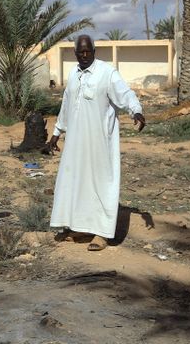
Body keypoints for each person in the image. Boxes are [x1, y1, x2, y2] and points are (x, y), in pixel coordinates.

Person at [49, 35, 145, 251]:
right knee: (76, 183)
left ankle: (102, 234)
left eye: (88, 52)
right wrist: (56, 133)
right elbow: (66, 106)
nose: (84, 56)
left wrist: (136, 111)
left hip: (100, 144)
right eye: (80, 52)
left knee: (102, 184)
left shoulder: (107, 72)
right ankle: (78, 226)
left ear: (94, 51)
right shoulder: (73, 75)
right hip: (75, 143)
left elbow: (126, 94)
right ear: (75, 53)